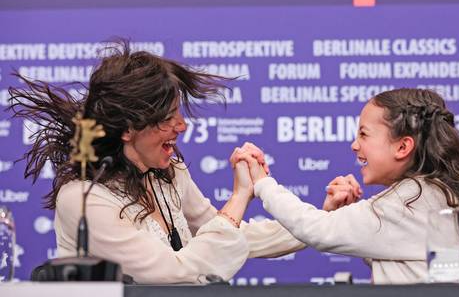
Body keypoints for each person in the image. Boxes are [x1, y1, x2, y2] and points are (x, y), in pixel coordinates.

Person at [8, 41, 321, 284]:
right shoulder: (83, 198)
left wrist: (323, 223)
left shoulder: (169, 174)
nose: (182, 126)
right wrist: (240, 196)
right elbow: (175, 274)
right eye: (168, 117)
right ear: (129, 128)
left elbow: (229, 235)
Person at [231, 88, 459, 284]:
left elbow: (319, 231)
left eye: (364, 134)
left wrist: (262, 182)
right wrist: (345, 216)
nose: (354, 144)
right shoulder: (432, 193)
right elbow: (412, 268)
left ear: (403, 146)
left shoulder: (412, 198)